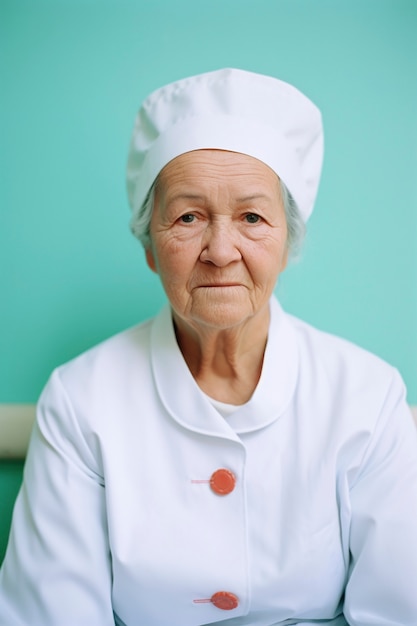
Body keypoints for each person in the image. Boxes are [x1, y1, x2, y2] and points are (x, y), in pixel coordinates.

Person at [0, 68, 416, 626]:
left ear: (287, 243)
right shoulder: (79, 402)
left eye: (251, 216)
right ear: (150, 248)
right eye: (188, 216)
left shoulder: (368, 398)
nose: (221, 250)